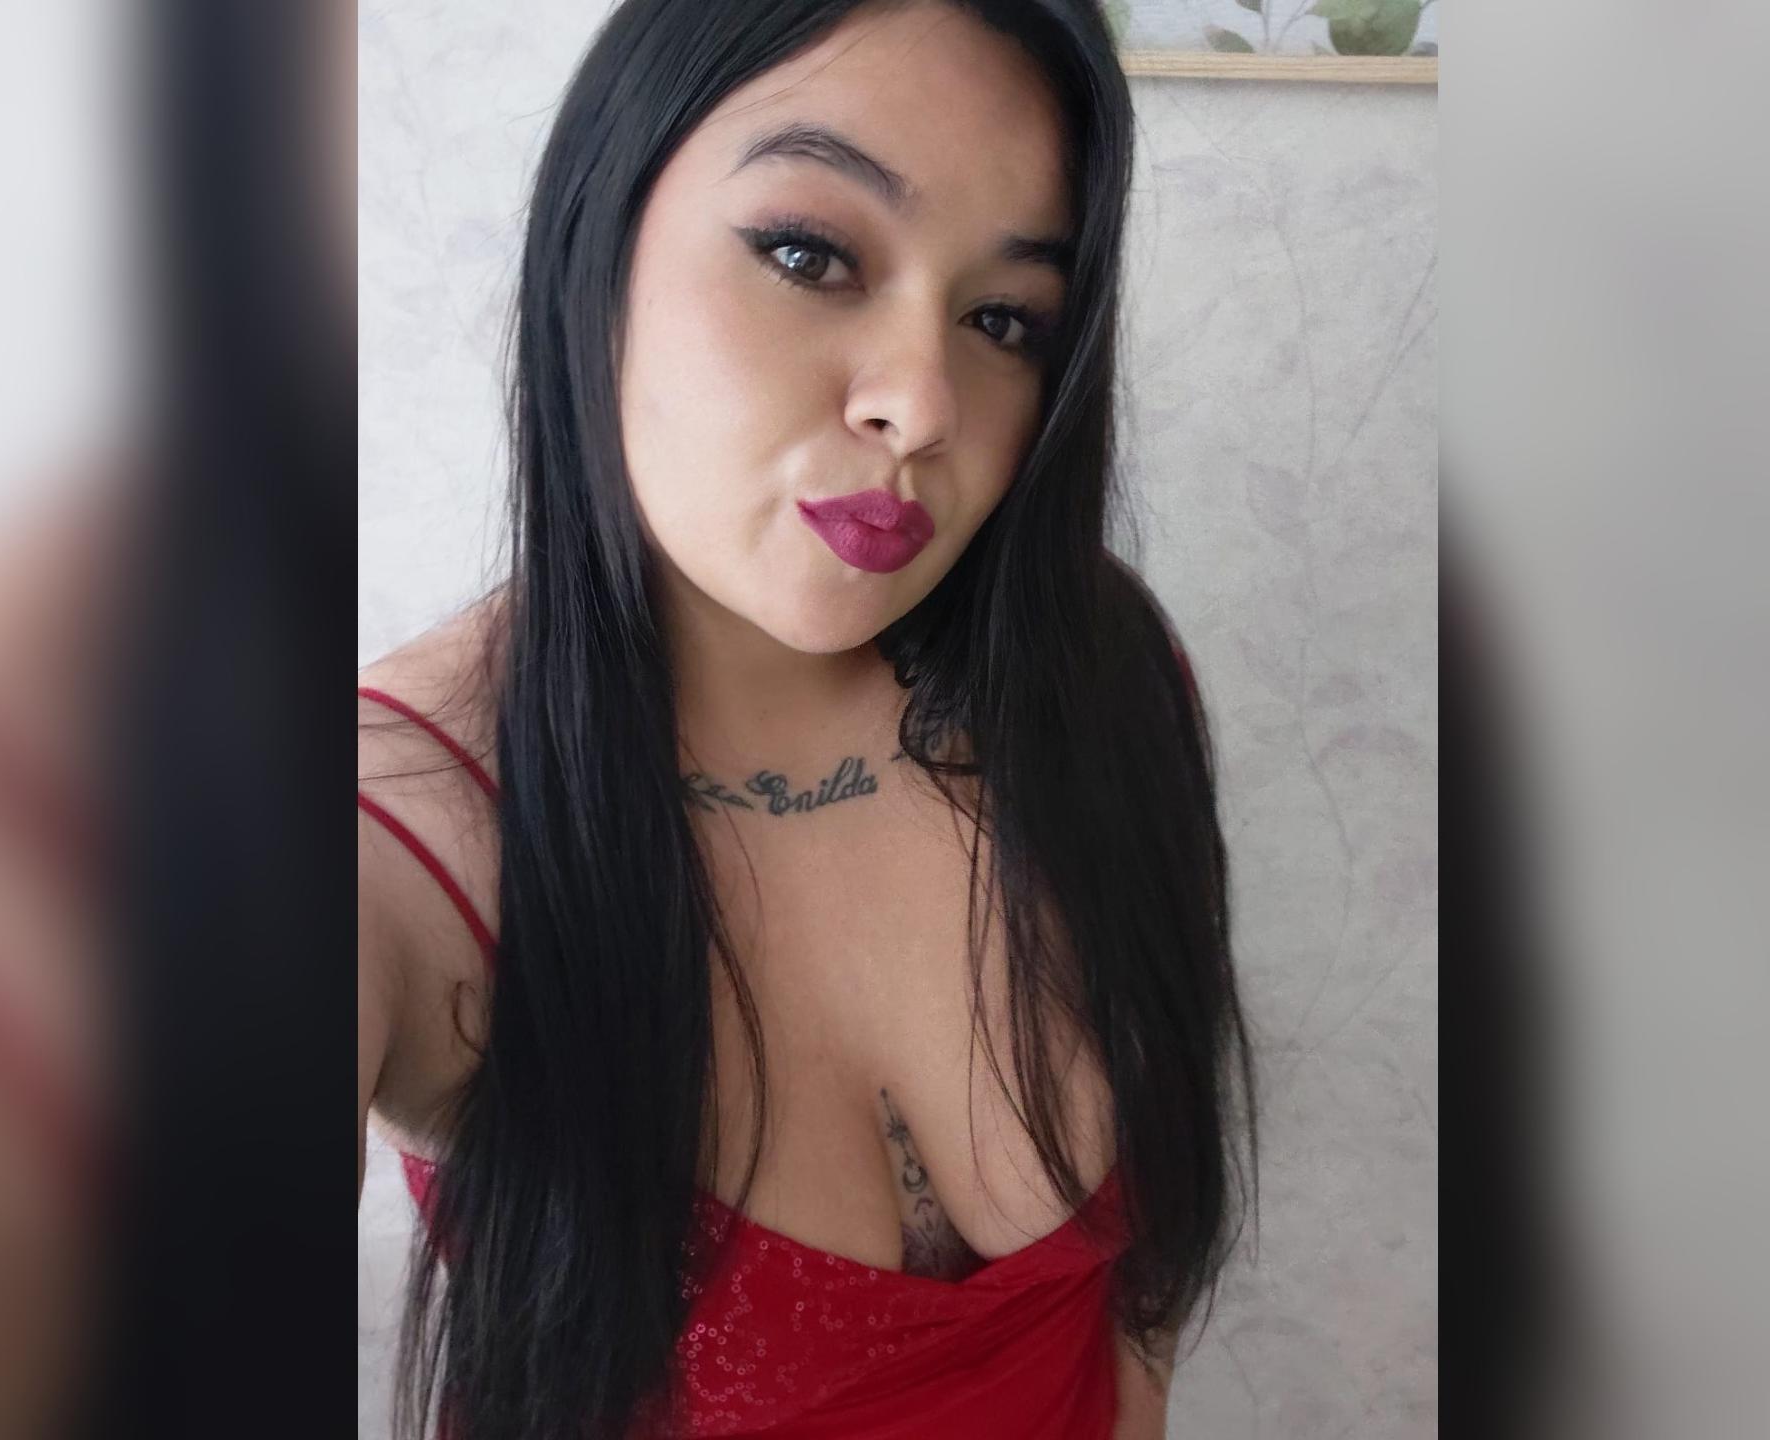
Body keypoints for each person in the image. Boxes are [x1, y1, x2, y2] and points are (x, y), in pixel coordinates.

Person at [357, 2, 1259, 1436]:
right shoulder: (394, 837)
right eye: (809, 255)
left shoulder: (1098, 675)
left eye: (1004, 320)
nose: (923, 404)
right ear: (600, 234)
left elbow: (1131, 1311)